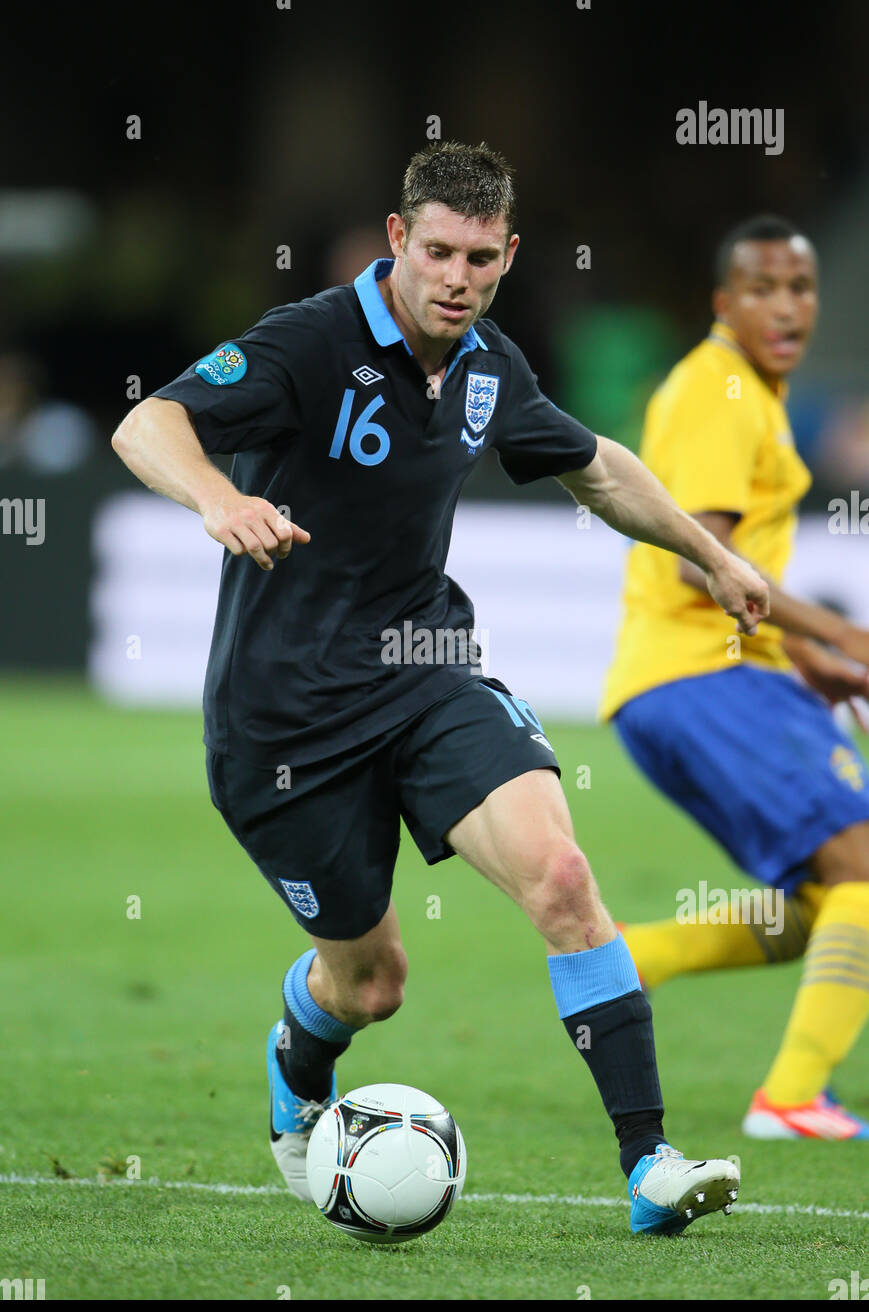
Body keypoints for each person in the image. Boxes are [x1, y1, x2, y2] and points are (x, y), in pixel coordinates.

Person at [112, 142, 766, 1232]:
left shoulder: (487, 364)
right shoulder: (308, 342)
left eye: (479, 258)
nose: (456, 279)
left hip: (424, 673)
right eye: (437, 254)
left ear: (507, 254)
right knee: (371, 984)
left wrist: (708, 553)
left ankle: (648, 1165)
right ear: (396, 241)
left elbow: (595, 465)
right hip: (282, 722)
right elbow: (148, 424)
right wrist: (219, 500)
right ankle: (295, 1058)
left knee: (560, 874)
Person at [601, 215, 869, 1140]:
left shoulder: (739, 389)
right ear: (724, 302)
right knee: (863, 868)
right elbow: (697, 559)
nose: (785, 306)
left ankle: (629, 955)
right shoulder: (720, 386)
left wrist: (805, 658)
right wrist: (842, 630)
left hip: (688, 684)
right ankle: (790, 1097)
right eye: (761, 287)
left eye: (799, 287)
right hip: (696, 678)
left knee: (815, 901)